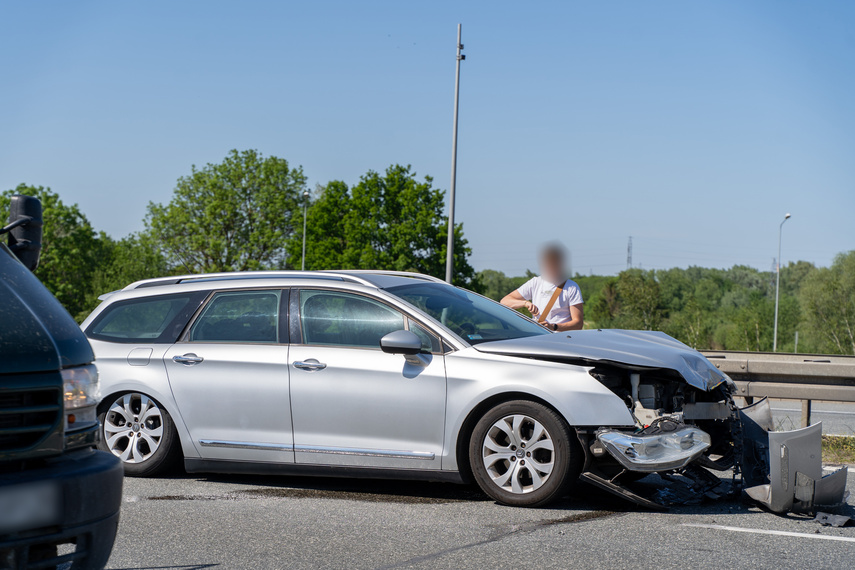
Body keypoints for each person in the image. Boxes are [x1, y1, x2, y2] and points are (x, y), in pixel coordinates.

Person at [500, 243, 584, 331]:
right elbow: (504, 302)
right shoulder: (535, 282)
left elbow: (578, 323)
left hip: (562, 339)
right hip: (540, 337)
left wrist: (554, 327)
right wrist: (525, 303)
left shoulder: (572, 287)